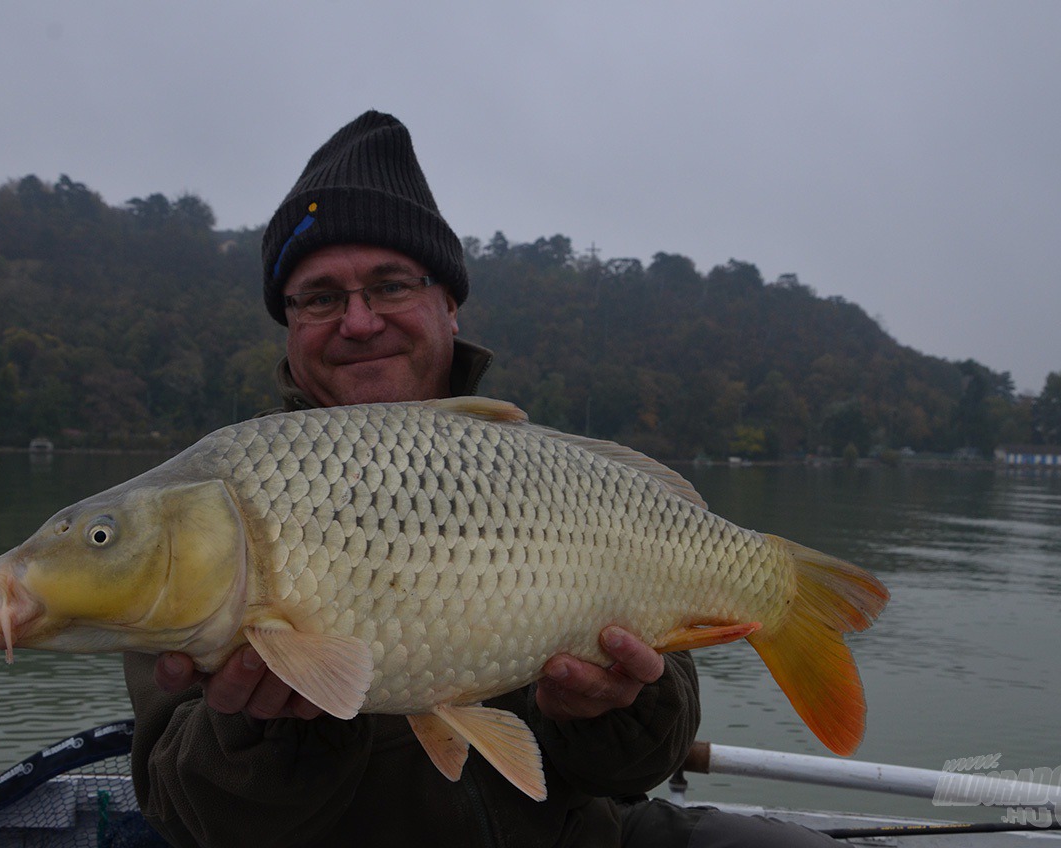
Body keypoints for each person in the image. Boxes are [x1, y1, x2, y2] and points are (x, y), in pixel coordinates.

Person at [126, 111, 836, 848]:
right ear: (290, 324)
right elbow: (192, 818)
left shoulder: (548, 473)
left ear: (449, 307)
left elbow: (638, 767)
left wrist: (611, 707)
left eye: (391, 284)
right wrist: (269, 731)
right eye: (320, 297)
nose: (359, 321)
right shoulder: (209, 514)